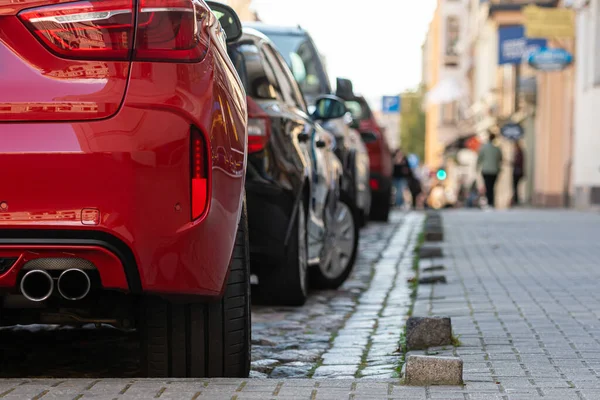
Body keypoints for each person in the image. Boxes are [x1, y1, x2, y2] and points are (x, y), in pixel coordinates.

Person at [477, 132, 503, 208]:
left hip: (486, 170)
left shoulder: (483, 148)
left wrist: (477, 167)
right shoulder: (497, 149)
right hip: (494, 170)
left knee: (488, 186)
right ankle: (492, 202)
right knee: (492, 186)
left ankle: (489, 202)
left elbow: (479, 159)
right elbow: (500, 159)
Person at [512, 141, 525, 206]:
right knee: (515, 186)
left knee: (515, 186)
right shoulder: (519, 152)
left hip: (517, 172)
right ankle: (516, 199)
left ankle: (516, 199)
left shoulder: (519, 153)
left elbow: (517, 163)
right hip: (517, 171)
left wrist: (511, 163)